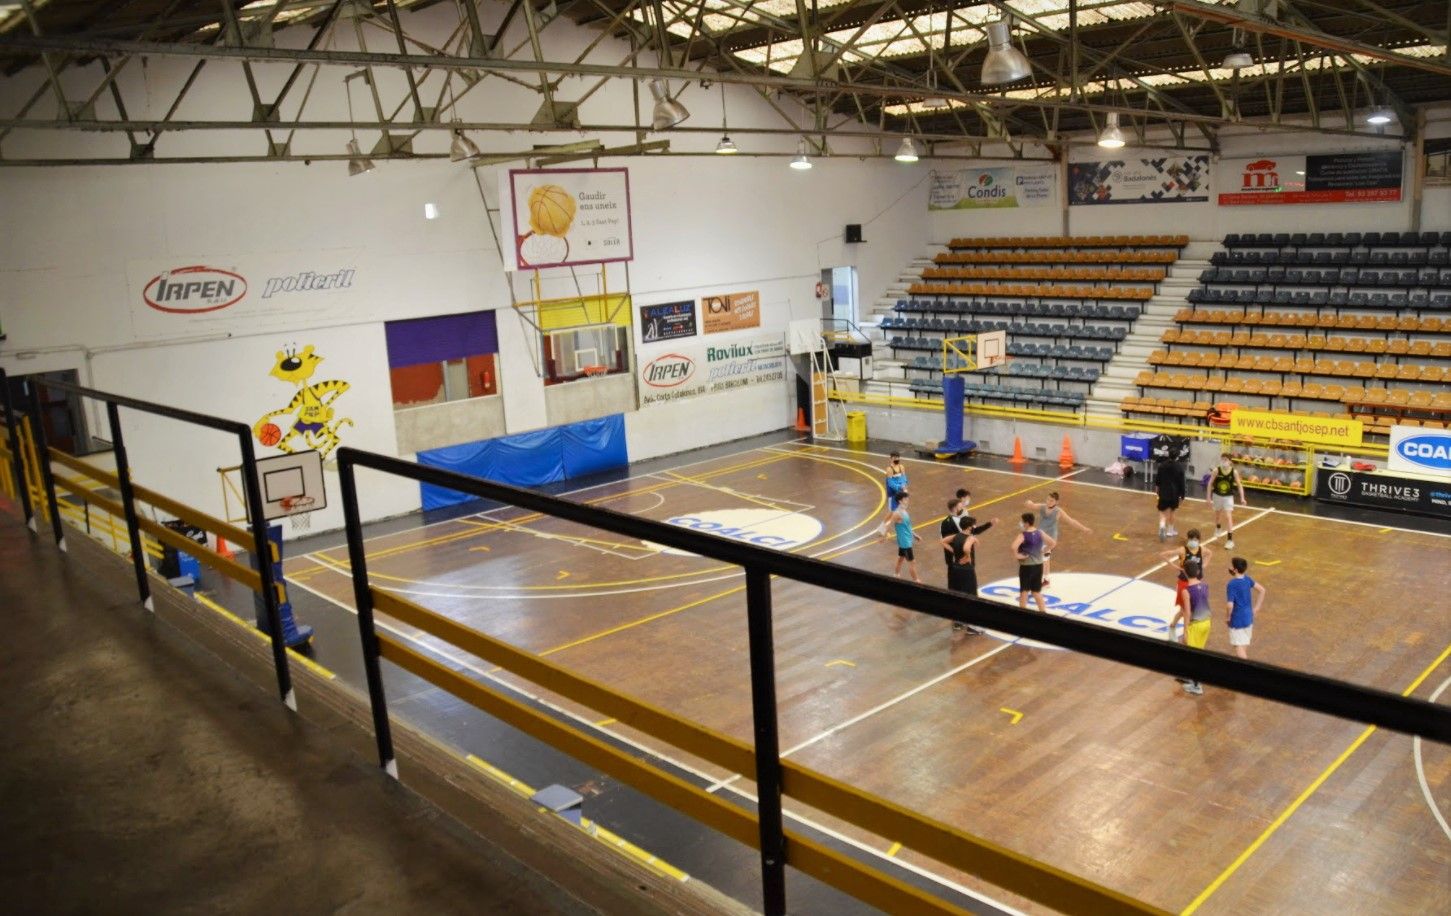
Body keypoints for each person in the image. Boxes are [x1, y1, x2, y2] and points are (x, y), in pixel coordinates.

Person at [1024, 490, 1091, 587]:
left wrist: (1084, 529)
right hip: (1040, 536)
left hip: (1050, 538)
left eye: (1051, 501)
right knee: (1044, 558)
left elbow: (1071, 521)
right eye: (1047, 500)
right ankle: (1045, 579)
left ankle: (1040, 579)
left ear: (1056, 502)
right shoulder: (1042, 507)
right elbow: (1032, 505)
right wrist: (1028, 503)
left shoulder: (1058, 511)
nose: (1048, 502)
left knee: (1040, 556)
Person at [1169, 558, 1212, 695]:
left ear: (1185, 573)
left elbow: (1187, 612)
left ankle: (1197, 685)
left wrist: (1186, 630)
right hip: (1207, 622)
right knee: (1189, 649)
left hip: (1196, 624)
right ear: (1198, 571)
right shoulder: (1205, 586)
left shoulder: (1186, 591)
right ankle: (1186, 675)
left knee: (1194, 655)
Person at [939, 527, 982, 635]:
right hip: (966, 570)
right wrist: (968, 556)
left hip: (955, 568)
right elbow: (967, 548)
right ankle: (972, 627)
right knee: (971, 595)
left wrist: (953, 551)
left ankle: (957, 622)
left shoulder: (956, 536)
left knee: (958, 594)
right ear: (970, 527)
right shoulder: (970, 538)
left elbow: (942, 541)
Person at [1161, 528, 1212, 619]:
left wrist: (1204, 565)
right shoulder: (1183, 550)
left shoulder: (1202, 549)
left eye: (1195, 540)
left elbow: (1210, 553)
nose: (1193, 541)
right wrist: (1174, 566)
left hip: (1197, 582)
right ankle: (1176, 625)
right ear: (1188, 539)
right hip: (1184, 583)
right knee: (1184, 609)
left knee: (1192, 608)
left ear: (1199, 540)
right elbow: (1163, 555)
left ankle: (1175, 624)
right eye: (1191, 539)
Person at [1011, 512, 1056, 614]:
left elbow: (1013, 547)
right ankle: (1043, 612)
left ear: (1026, 523)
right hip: (1038, 566)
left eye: (1022, 521)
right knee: (1036, 591)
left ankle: (1022, 614)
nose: (1021, 523)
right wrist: (1044, 551)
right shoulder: (1040, 532)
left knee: (1024, 591)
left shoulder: (1023, 535)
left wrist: (1018, 556)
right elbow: (1052, 543)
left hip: (1027, 567)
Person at [1225, 556, 1266, 659]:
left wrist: (1228, 617)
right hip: (1248, 617)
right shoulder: (1247, 579)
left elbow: (1230, 605)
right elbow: (1262, 590)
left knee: (1239, 648)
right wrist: (1257, 608)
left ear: (1235, 569)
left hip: (1237, 619)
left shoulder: (1232, 584)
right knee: (1243, 645)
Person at [1207, 454, 1248, 550]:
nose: (1223, 461)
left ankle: (1230, 540)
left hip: (1228, 497)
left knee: (1228, 516)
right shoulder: (1216, 470)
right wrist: (1208, 497)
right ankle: (1218, 527)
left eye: (1225, 460)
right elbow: (1209, 483)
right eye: (1222, 459)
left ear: (1230, 461)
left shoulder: (1234, 472)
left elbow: (1239, 485)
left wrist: (1242, 498)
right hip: (1217, 496)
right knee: (1217, 515)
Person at [887, 490, 922, 583]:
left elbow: (907, 526)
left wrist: (914, 535)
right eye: (905, 499)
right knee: (912, 562)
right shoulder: (897, 513)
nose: (908, 500)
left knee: (900, 558)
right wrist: (883, 537)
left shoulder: (904, 511)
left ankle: (896, 574)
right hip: (905, 542)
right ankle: (916, 580)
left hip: (906, 540)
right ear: (900, 501)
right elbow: (888, 524)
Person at [877, 452, 909, 536]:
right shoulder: (889, 469)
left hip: (900, 492)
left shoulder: (901, 467)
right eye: (894, 458)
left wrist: (905, 486)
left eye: (897, 457)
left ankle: (884, 529)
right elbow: (891, 483)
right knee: (892, 512)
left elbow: (904, 478)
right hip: (893, 494)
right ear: (891, 459)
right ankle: (882, 529)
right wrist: (899, 488)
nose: (896, 459)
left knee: (899, 511)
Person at [1154, 457, 1185, 542]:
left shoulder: (1162, 466)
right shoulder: (1179, 467)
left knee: (1162, 511)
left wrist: (1157, 489)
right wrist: (1182, 495)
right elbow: (1182, 482)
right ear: (1177, 457)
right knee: (1172, 511)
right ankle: (1170, 531)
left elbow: (1158, 479)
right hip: (1174, 494)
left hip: (1163, 492)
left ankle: (1162, 525)